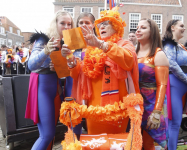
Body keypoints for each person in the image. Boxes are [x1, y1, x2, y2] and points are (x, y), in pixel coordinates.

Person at [61, 7, 140, 134]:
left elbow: (128, 61)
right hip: (94, 107)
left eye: (106, 23)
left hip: (118, 107)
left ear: (116, 26)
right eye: (100, 24)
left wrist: (101, 45)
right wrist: (70, 59)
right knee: (95, 143)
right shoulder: (91, 48)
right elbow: (80, 74)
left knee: (116, 144)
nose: (101, 27)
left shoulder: (125, 44)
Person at [25, 10, 74, 150]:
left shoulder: (66, 42)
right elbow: (31, 65)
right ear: (55, 23)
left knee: (50, 136)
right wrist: (46, 50)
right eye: (62, 23)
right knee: (46, 134)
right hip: (43, 89)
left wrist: (58, 68)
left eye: (69, 24)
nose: (66, 27)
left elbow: (65, 73)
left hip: (56, 90)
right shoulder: (44, 39)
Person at [162, 19, 187, 150]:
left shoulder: (180, 46)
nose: (184, 28)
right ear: (172, 27)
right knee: (175, 123)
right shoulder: (169, 45)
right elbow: (171, 64)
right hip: (175, 87)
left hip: (183, 88)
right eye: (181, 26)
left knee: (175, 123)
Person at [136, 18, 169, 150]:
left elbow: (162, 85)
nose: (138, 30)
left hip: (153, 106)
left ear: (153, 31)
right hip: (136, 106)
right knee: (138, 143)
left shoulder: (158, 54)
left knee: (152, 144)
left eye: (143, 28)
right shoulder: (133, 52)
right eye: (137, 27)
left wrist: (156, 112)